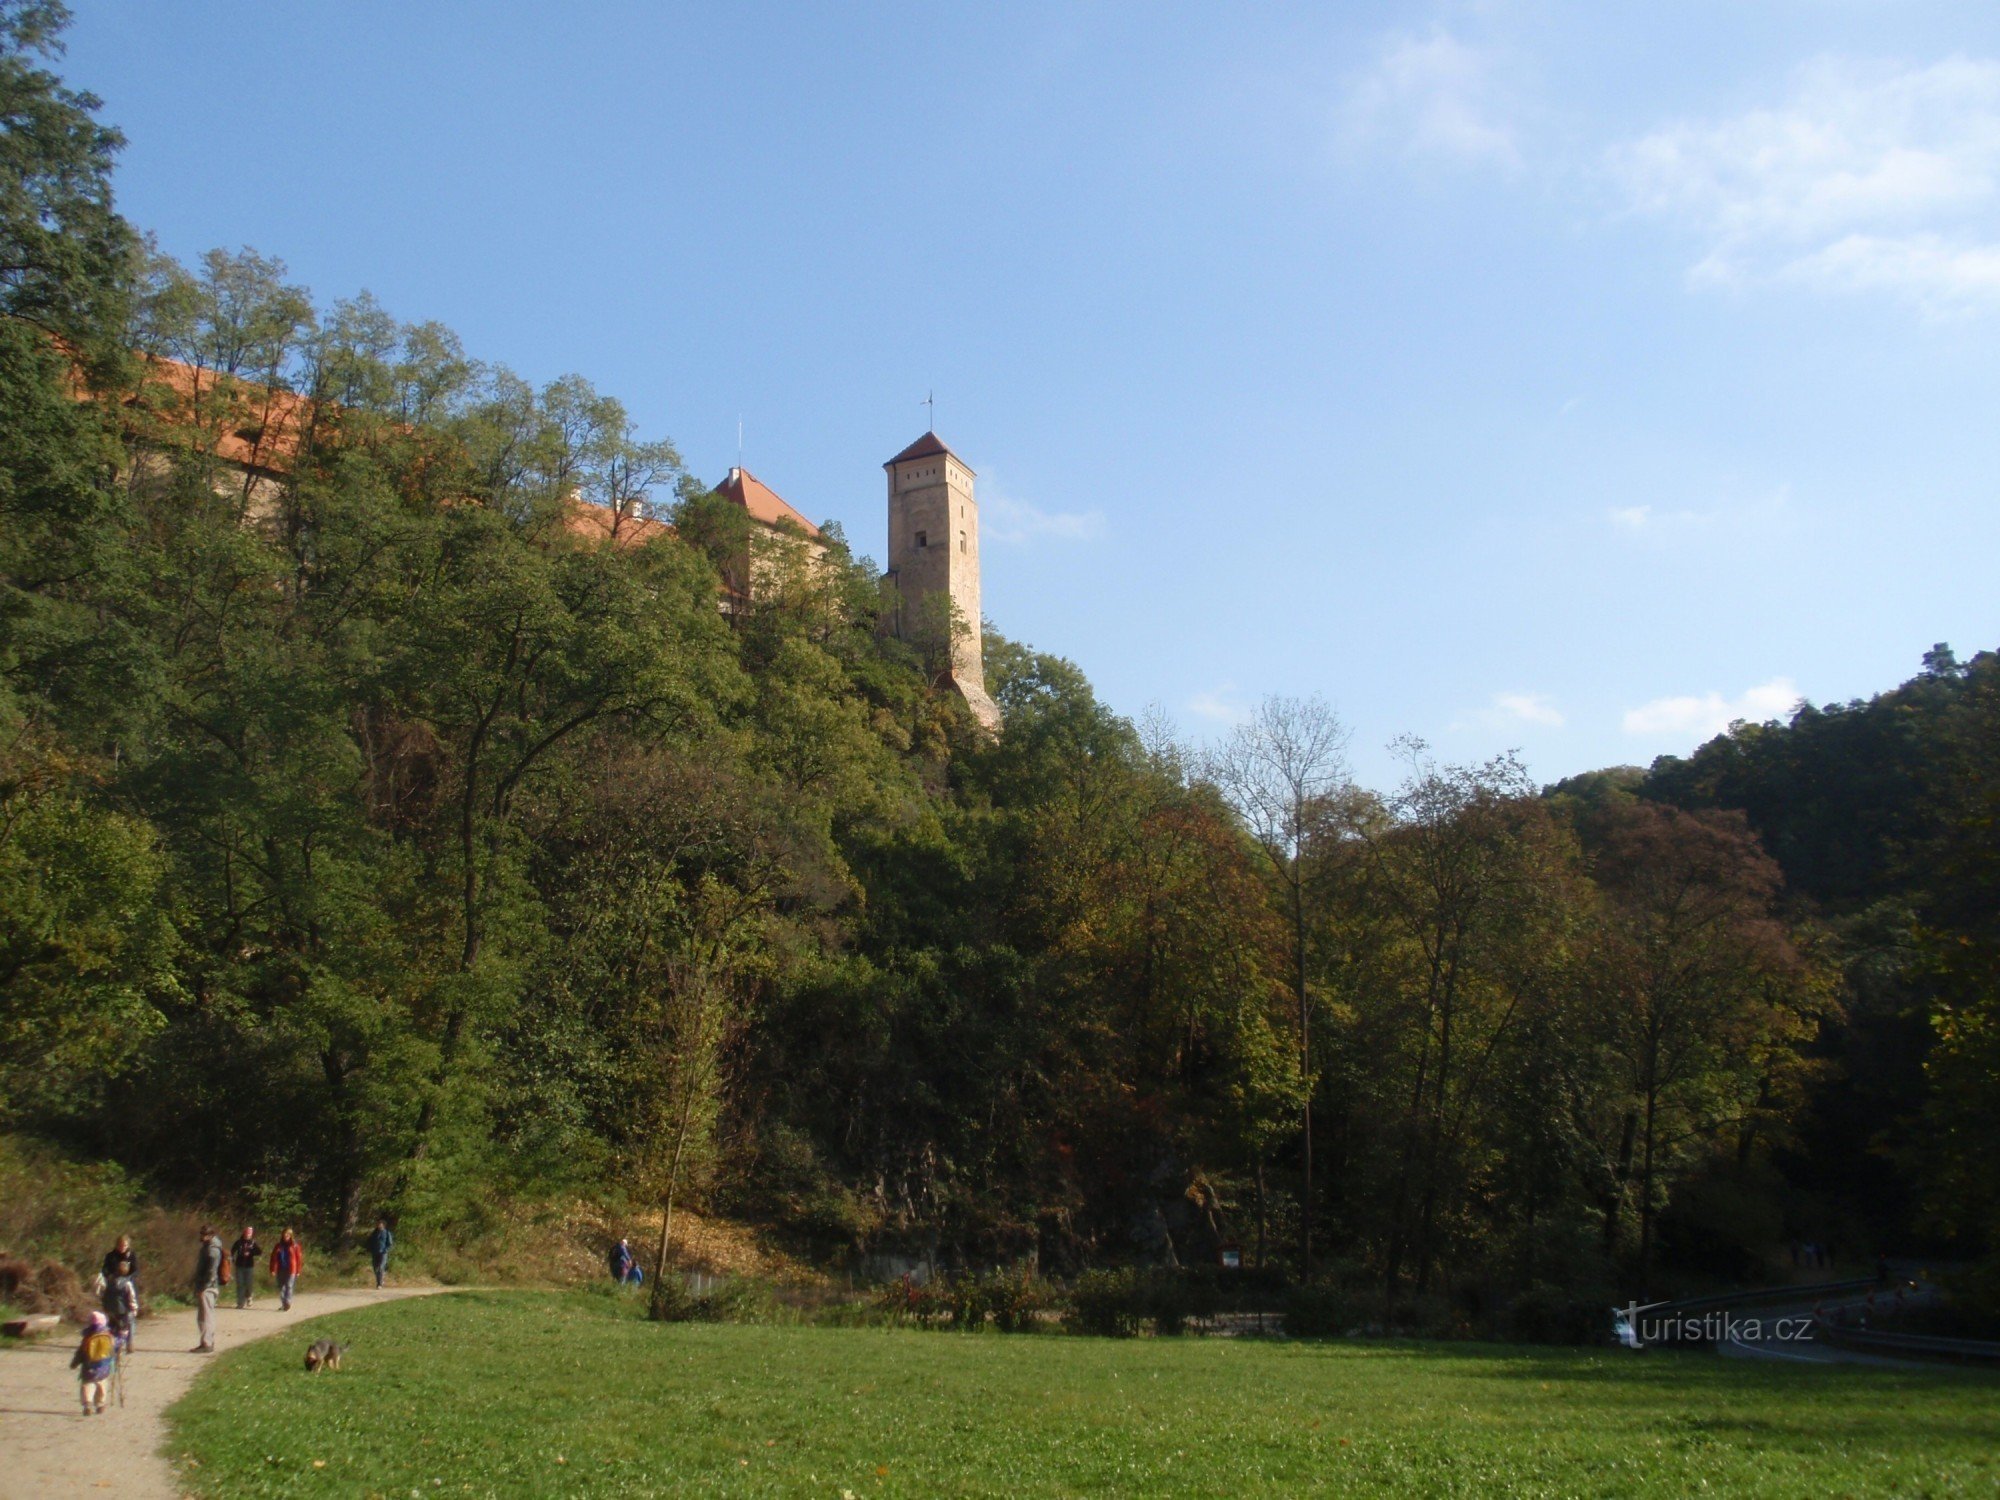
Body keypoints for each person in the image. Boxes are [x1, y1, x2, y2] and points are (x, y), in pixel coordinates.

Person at [70, 1311, 117, 1415]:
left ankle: (88, 1404)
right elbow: (113, 1351)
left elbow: (81, 1352)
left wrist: (75, 1363)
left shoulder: (87, 1337)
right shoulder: (108, 1335)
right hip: (104, 1367)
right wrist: (113, 1363)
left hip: (89, 1366)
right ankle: (100, 1405)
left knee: (87, 1384)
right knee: (102, 1385)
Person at [189, 1225, 223, 1352]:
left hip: (208, 1287)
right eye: (202, 1234)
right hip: (207, 1285)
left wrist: (204, 1287)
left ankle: (207, 1343)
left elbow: (211, 1271)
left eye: (204, 1234)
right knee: (205, 1316)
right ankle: (206, 1342)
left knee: (205, 1316)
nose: (202, 1237)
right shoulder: (208, 1247)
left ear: (210, 1235)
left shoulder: (212, 1250)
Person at [268, 1227, 304, 1311]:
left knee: (289, 1285)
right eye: (285, 1233)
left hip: (291, 1269)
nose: (286, 1235)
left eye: (288, 1234)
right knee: (281, 1287)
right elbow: (273, 1258)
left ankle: (287, 1302)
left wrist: (298, 1270)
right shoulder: (278, 1245)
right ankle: (284, 1304)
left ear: (291, 1235)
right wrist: (272, 1269)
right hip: (280, 1268)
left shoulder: (295, 1245)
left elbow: (299, 1259)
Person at [229, 1225, 259, 1309]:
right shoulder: (238, 1242)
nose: (248, 1235)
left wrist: (251, 1252)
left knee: (248, 1284)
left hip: (249, 1266)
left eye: (249, 1234)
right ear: (244, 1233)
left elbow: (259, 1251)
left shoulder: (253, 1243)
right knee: (240, 1284)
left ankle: (249, 1296)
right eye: (246, 1233)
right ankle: (240, 1303)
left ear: (251, 1235)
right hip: (239, 1265)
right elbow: (232, 1251)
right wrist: (232, 1258)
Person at [365, 1218, 393, 1288]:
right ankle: (380, 1279)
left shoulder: (387, 1233)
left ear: (383, 1225)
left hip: (383, 1253)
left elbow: (390, 1243)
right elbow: (370, 1242)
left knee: (380, 1267)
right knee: (375, 1268)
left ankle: (379, 1283)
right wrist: (369, 1249)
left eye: (380, 1224)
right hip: (375, 1252)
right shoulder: (374, 1233)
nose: (378, 1225)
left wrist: (386, 1249)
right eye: (377, 1224)